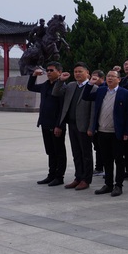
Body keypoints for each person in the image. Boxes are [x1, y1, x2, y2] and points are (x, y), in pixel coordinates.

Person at [83, 70, 128, 197]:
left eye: (113, 76)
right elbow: (86, 96)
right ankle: (108, 184)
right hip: (102, 131)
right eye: (108, 76)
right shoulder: (101, 91)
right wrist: (90, 83)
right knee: (106, 160)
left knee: (119, 160)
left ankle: (118, 185)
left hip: (117, 133)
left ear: (119, 79)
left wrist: (127, 132)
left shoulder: (125, 93)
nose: (110, 78)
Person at [52, 62, 96, 191]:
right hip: (72, 124)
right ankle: (78, 177)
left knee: (86, 154)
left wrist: (91, 127)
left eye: (80, 71)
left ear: (87, 73)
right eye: (75, 72)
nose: (77, 74)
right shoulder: (71, 86)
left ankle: (86, 179)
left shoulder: (93, 88)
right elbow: (56, 92)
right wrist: (60, 81)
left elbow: (93, 111)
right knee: (76, 153)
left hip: (84, 126)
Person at [27, 62, 66, 187]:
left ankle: (59, 177)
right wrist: (33, 75)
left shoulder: (61, 87)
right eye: (47, 70)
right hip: (45, 123)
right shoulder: (45, 85)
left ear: (59, 72)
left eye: (51, 70)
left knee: (59, 151)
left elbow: (62, 109)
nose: (48, 72)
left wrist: (59, 125)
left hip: (56, 125)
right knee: (50, 151)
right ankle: (51, 175)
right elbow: (30, 87)